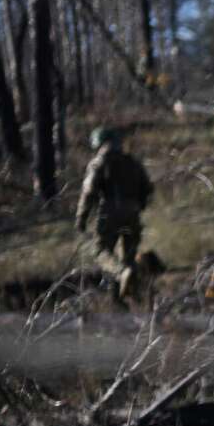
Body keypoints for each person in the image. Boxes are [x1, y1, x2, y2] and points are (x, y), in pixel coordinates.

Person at [74, 126, 154, 303]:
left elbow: (89, 192)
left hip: (109, 213)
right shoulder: (132, 161)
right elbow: (148, 188)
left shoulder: (99, 163)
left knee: (101, 252)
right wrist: (137, 206)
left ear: (99, 144)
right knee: (128, 256)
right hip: (132, 213)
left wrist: (81, 218)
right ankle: (124, 299)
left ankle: (121, 276)